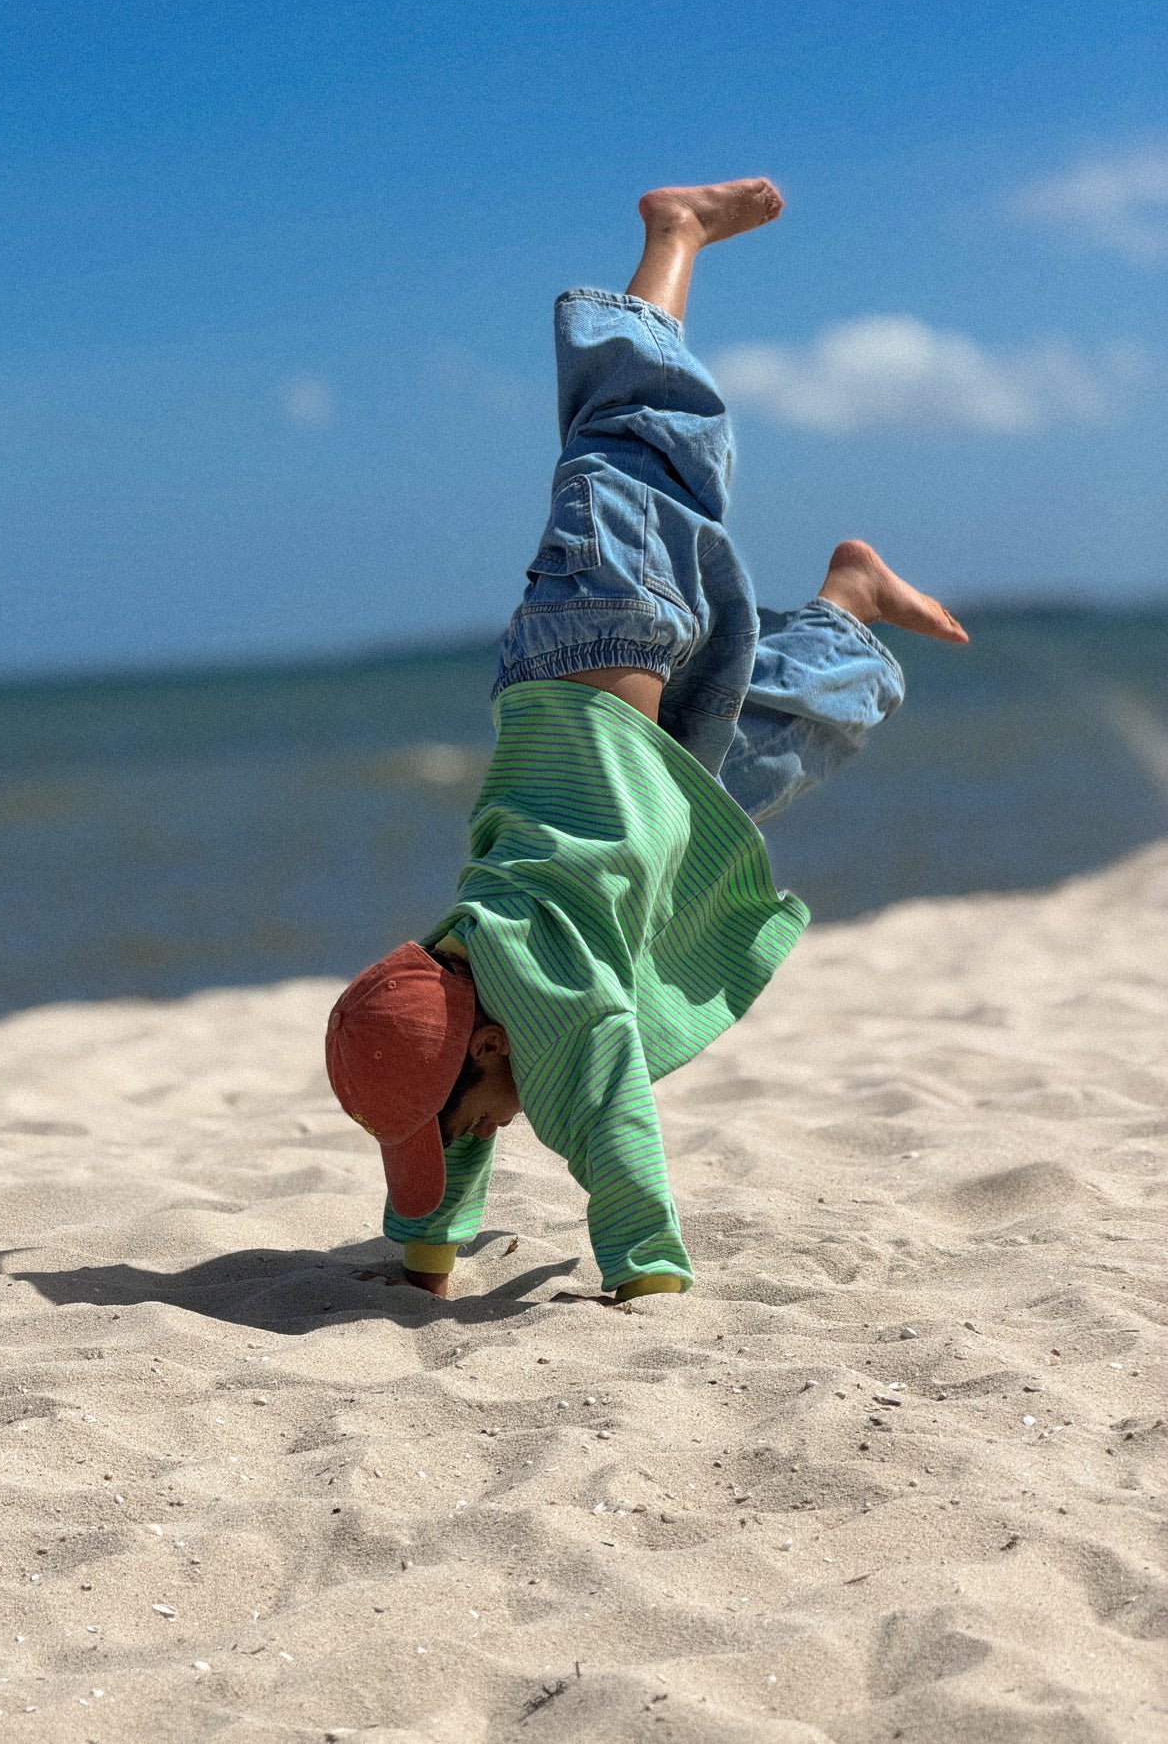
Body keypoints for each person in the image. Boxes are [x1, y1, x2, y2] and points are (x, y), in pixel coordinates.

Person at [325, 180, 968, 1303]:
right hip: (643, 783)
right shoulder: (463, 974)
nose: (476, 1137)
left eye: (464, 1125)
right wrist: (424, 1255)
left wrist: (645, 1274)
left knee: (638, 439)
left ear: (489, 1046)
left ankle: (673, 231)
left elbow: (615, 1136)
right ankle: (851, 598)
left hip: (590, 635)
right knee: (782, 737)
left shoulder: (558, 1005)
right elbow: (451, 1109)